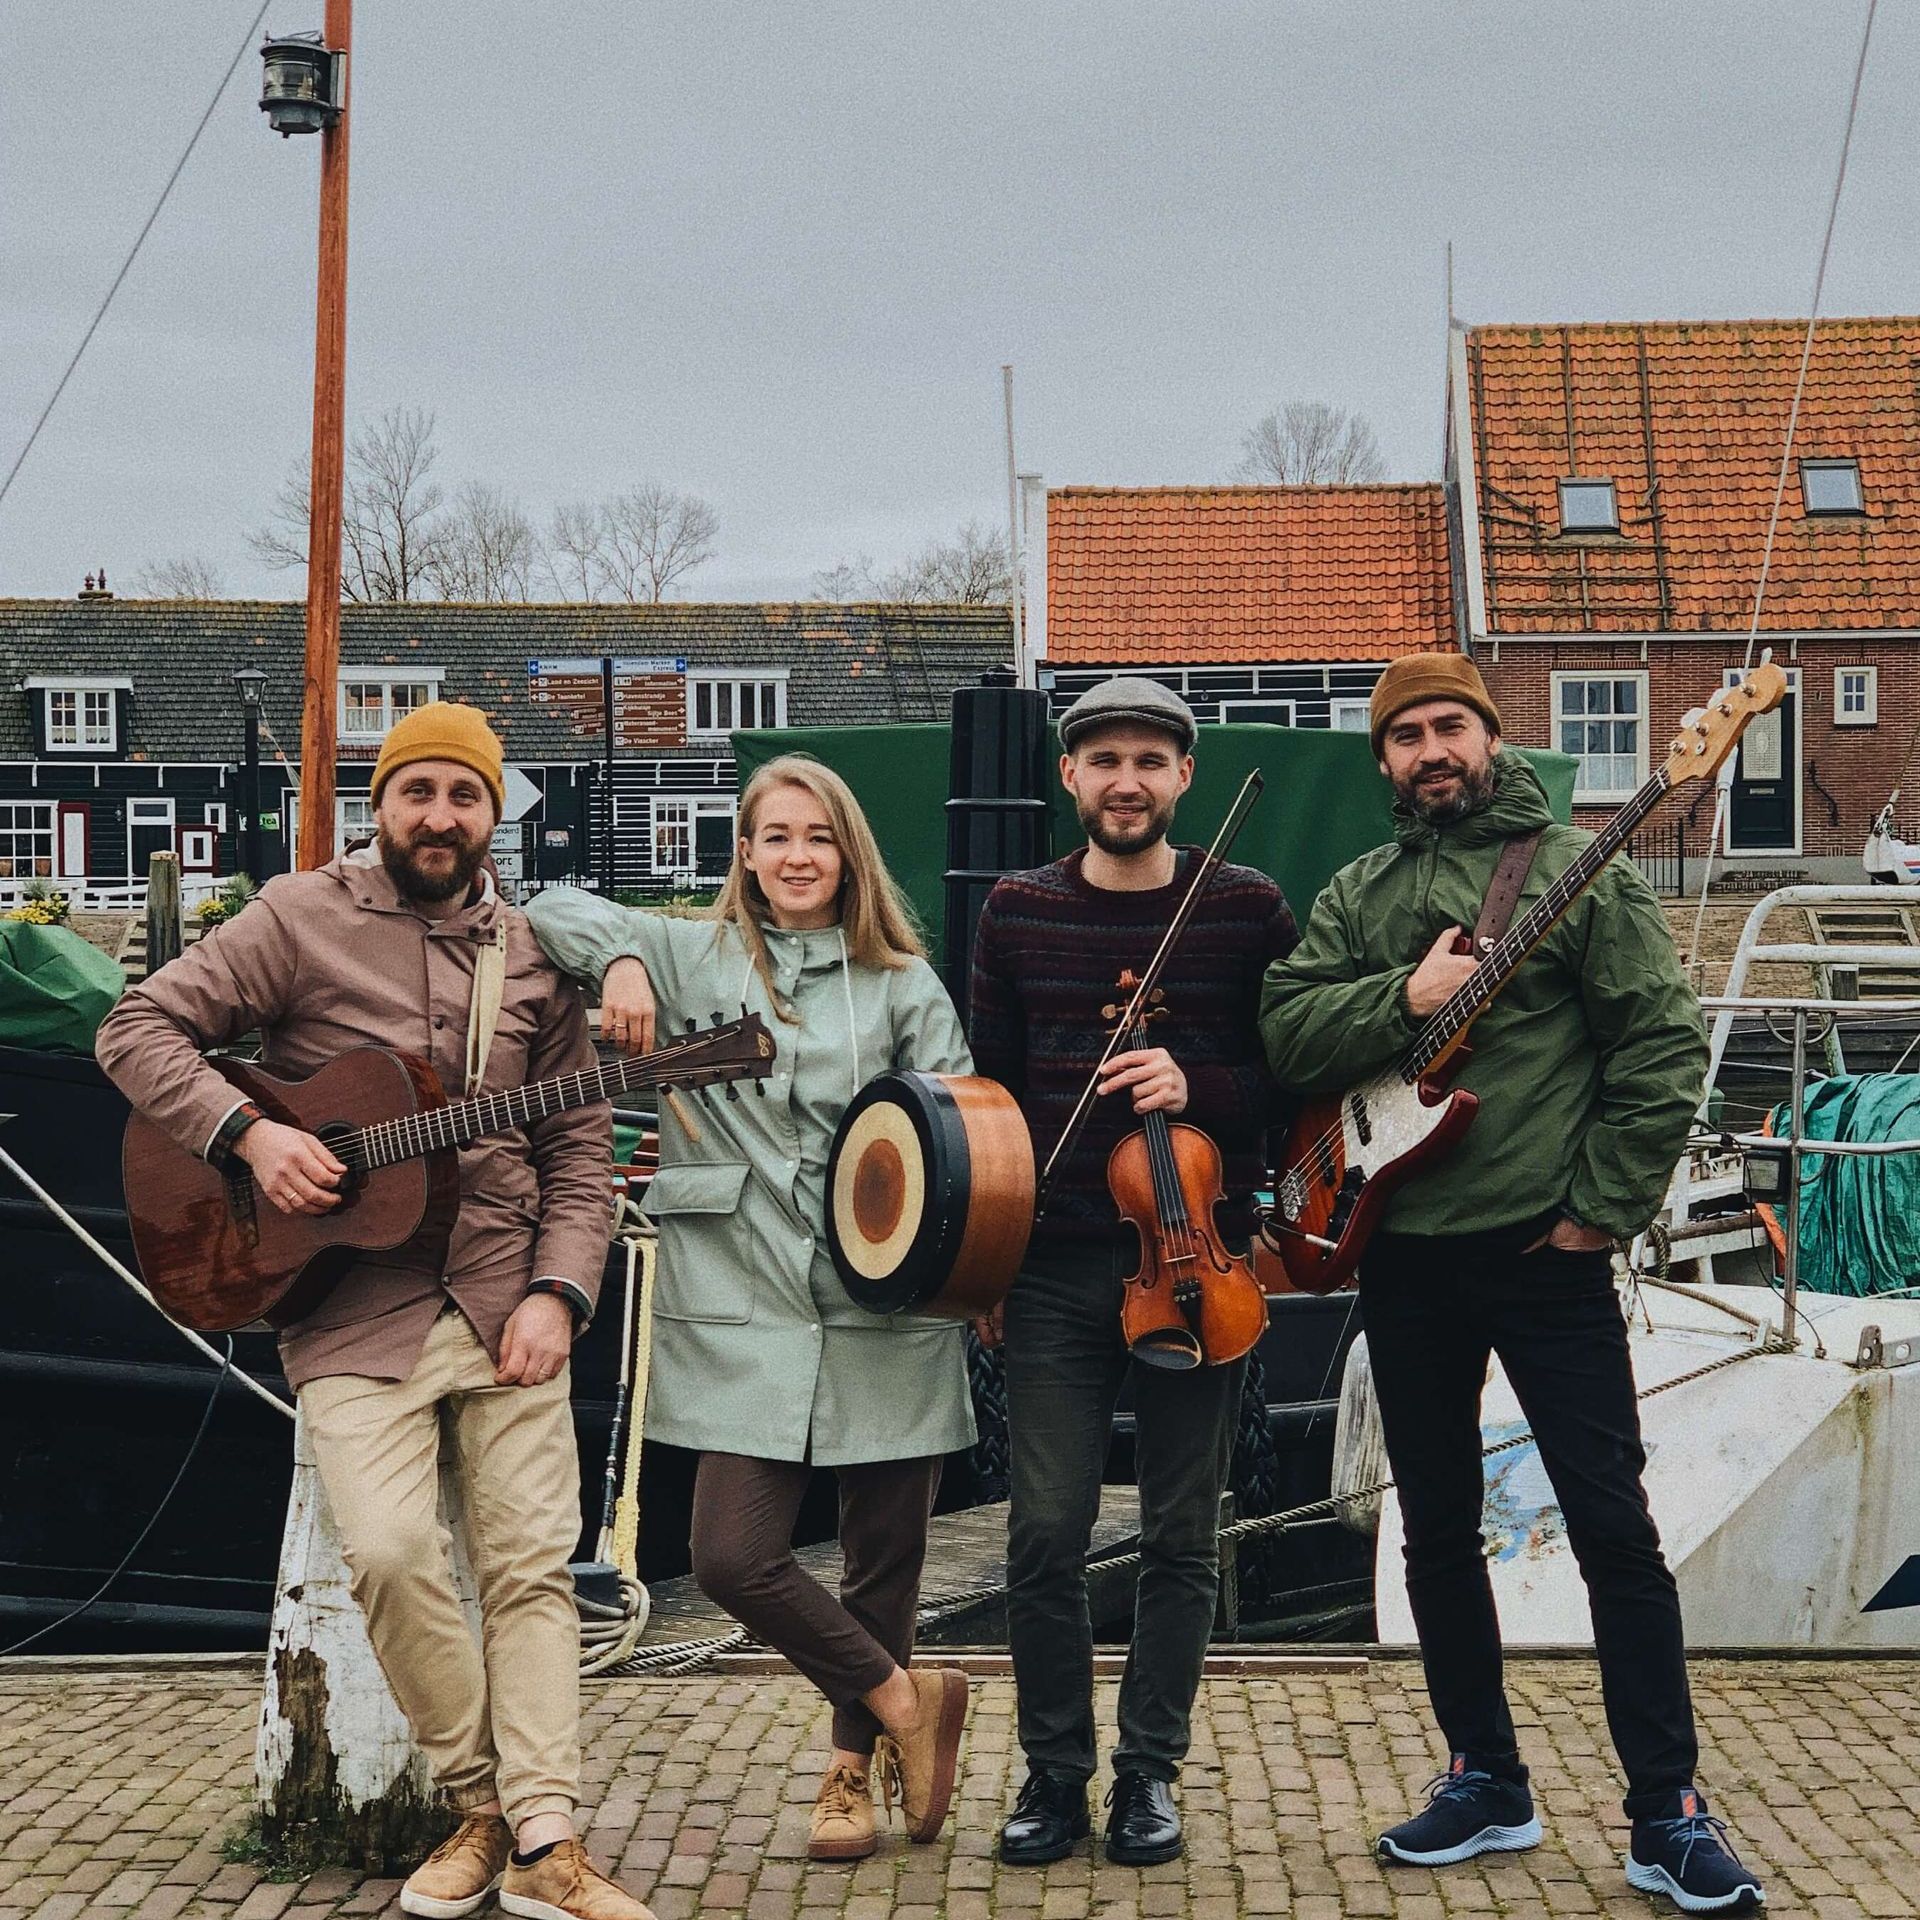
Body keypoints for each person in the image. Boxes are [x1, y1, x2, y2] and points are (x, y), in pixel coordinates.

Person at [96, 703, 650, 1920]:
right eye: (419, 793)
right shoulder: (299, 918)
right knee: (392, 1557)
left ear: (494, 814)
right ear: (380, 803)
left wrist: (563, 1290)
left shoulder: (536, 948)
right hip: (349, 1307)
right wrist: (252, 1132)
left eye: (465, 796)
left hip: (509, 1293)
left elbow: (578, 1143)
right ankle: (483, 1800)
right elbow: (135, 1028)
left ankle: (547, 1840)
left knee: (529, 1576)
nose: (440, 817)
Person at [1260, 653, 1765, 1916]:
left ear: (1494, 739)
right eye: (1407, 735)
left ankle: (1668, 1812)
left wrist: (1602, 1210)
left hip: (1546, 1256)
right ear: (1383, 762)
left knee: (1612, 1530)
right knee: (1434, 1529)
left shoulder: (1573, 873)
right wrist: (1407, 995)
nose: (1432, 750)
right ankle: (1486, 1774)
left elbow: (1657, 1044)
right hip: (1408, 1254)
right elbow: (1289, 1032)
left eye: (1452, 727)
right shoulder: (1360, 891)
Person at [525, 754, 972, 1865]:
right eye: (773, 836)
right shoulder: (691, 953)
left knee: (884, 1560)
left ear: (849, 851)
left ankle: (844, 1773)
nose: (796, 857)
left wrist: (972, 1280)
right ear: (745, 852)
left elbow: (965, 1132)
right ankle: (907, 1703)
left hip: (888, 1301)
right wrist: (625, 955)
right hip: (741, 1299)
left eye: (817, 836)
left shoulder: (905, 987)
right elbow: (543, 905)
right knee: (730, 1556)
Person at [967, 678, 1298, 1867]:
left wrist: (1194, 1087)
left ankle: (1147, 1774)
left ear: (1184, 777)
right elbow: (989, 1096)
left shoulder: (1247, 910)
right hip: (1052, 1262)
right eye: (1103, 759)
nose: (1126, 781)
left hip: (1198, 1262)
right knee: (1046, 1532)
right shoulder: (1015, 912)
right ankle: (1056, 1773)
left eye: (1150, 762)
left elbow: (1288, 1084)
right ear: (1071, 777)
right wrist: (986, 1266)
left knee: (1181, 1534)